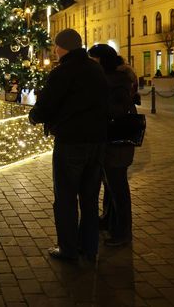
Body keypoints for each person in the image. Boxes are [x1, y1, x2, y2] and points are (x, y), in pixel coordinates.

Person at [28, 29, 108, 262]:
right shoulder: (95, 68)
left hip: (71, 142)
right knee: (90, 197)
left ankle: (68, 248)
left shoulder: (62, 72)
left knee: (65, 198)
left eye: (56, 46)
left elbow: (46, 105)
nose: (54, 50)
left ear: (63, 47)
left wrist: (34, 116)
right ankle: (90, 247)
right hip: (97, 141)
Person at [88, 44, 137, 247]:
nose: (91, 63)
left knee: (118, 186)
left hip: (118, 140)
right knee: (109, 184)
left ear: (102, 61)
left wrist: (98, 104)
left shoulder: (117, 81)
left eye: (94, 59)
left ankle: (123, 232)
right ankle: (108, 220)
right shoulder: (110, 79)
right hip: (109, 139)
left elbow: (118, 109)